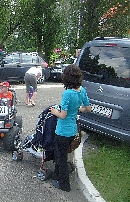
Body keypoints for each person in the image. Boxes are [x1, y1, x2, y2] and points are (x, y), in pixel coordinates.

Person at [50, 64, 91, 192]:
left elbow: (62, 115)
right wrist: (78, 108)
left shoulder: (67, 93)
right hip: (73, 130)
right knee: (63, 154)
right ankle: (56, 175)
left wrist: (54, 112)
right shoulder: (82, 90)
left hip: (62, 131)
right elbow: (88, 109)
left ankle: (64, 185)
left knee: (61, 158)